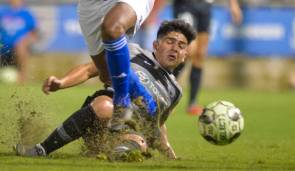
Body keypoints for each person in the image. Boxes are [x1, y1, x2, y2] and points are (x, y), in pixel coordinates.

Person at [15, 20, 197, 161]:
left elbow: (158, 123)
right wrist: (61, 82)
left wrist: (169, 154)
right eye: (170, 41)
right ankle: (41, 149)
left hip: (129, 129)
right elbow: (89, 69)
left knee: (138, 145)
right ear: (156, 44)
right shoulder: (133, 53)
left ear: (184, 56)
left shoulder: (175, 91)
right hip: (104, 111)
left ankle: (106, 154)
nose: (175, 48)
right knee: (105, 107)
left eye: (181, 45)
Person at [78, 0, 158, 123]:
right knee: (107, 74)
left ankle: (122, 102)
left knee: (112, 28)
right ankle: (149, 107)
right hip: (92, 4)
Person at [173, 0, 242, 115]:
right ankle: (166, 92)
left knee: (200, 54)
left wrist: (233, 5)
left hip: (205, 5)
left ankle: (192, 103)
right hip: (186, 4)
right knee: (189, 49)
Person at [0, 0, 37, 83]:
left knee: (20, 46)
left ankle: (23, 77)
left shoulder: (26, 14)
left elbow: (34, 34)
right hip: (3, 45)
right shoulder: (2, 13)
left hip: (19, 46)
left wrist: (25, 41)